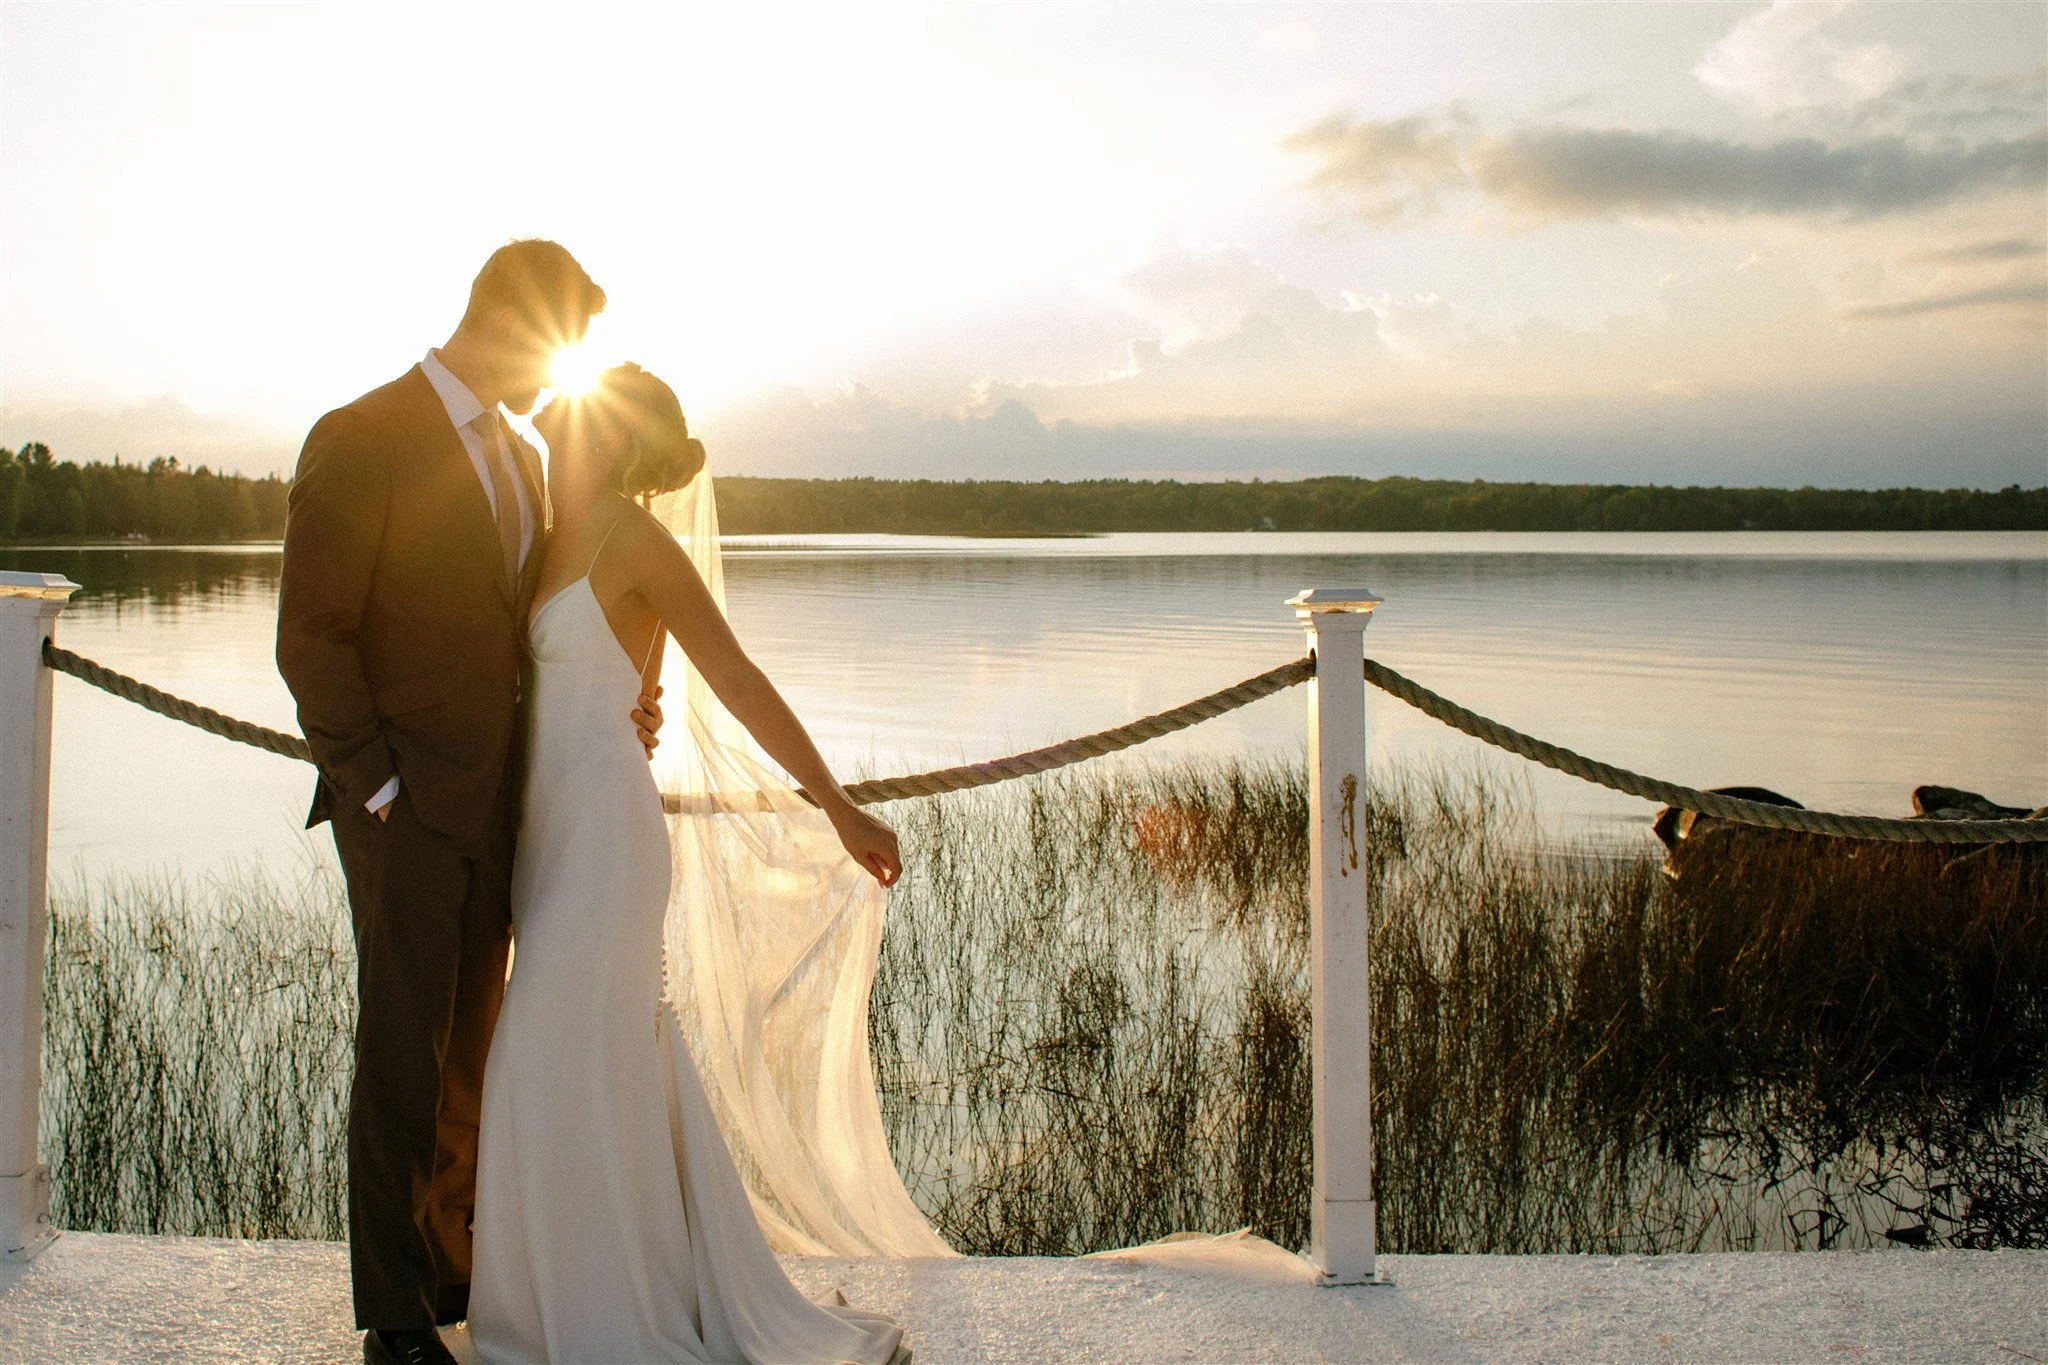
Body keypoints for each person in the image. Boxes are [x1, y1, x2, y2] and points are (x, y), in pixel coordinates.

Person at [465, 363, 913, 1363]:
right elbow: (600, 686)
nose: (551, 412)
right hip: (540, 840)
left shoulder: (634, 540)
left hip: (606, 844)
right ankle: (568, 1307)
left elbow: (738, 679)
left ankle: (613, 1321)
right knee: (576, 1066)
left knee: (555, 1056)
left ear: (608, 437)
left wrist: (837, 805)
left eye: (575, 408)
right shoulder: (542, 533)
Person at [276, 241, 660, 1365]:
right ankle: (395, 1322)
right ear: (511, 322)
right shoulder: (360, 436)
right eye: (562, 343)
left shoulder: (524, 456)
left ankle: (452, 1270)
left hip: (503, 808)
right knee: (404, 1053)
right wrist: (380, 788)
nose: (561, 371)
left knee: (472, 1055)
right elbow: (312, 637)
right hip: (402, 810)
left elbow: (529, 627)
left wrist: (618, 701)